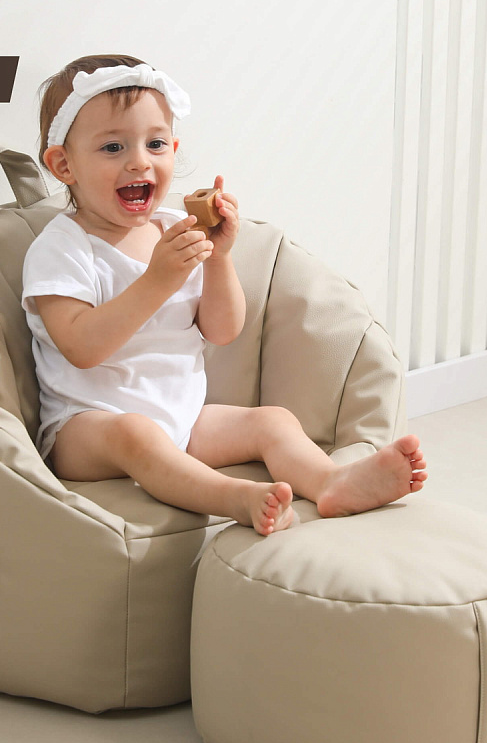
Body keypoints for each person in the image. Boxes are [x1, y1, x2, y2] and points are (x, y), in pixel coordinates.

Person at [21, 54, 427, 536]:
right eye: (113, 147)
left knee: (272, 421)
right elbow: (81, 348)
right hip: (87, 428)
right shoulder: (62, 247)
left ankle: (331, 481)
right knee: (136, 433)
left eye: (155, 144)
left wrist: (218, 258)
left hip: (183, 418)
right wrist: (157, 281)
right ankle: (234, 497)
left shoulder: (177, 229)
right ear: (64, 165)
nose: (140, 161)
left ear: (174, 149)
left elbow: (223, 330)